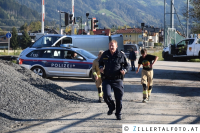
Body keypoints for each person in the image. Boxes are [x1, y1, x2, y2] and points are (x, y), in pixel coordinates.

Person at [99, 40, 129, 120]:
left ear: (116, 46)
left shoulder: (121, 55)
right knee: (106, 96)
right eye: (110, 45)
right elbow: (100, 62)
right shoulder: (105, 54)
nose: (111, 47)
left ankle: (118, 113)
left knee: (119, 98)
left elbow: (127, 65)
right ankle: (111, 107)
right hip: (107, 79)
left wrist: (124, 71)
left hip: (117, 80)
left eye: (113, 45)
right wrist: (101, 67)